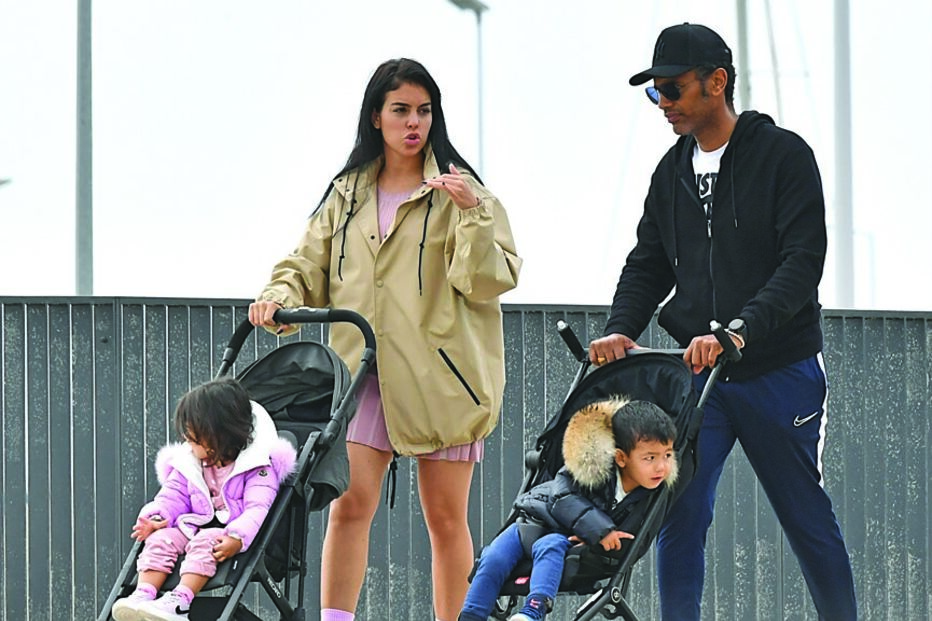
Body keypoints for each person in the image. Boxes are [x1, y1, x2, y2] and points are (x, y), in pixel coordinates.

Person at [588, 22, 857, 621]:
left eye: (673, 88)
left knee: (804, 515)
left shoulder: (783, 156)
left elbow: (801, 262)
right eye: (655, 92)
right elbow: (648, 263)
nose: (663, 103)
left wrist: (740, 329)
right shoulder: (670, 173)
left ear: (717, 82)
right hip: (700, 379)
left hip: (779, 371)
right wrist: (621, 326)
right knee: (677, 511)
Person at [248, 58, 521, 621]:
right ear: (376, 116)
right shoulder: (345, 195)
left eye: (424, 111)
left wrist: (472, 215)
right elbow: (306, 263)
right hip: (362, 373)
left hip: (443, 375)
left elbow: (490, 279)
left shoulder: (465, 193)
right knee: (349, 506)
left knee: (446, 518)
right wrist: (277, 295)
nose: (413, 122)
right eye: (400, 110)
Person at [458, 398, 678, 621]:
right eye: (650, 458)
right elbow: (562, 496)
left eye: (668, 455)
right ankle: (470, 616)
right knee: (493, 558)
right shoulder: (589, 466)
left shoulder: (648, 498)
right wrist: (599, 530)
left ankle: (532, 613)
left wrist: (594, 539)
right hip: (532, 520)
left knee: (549, 546)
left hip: (560, 538)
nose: (661, 466)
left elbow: (629, 541)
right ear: (621, 458)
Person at [110, 377, 297, 621]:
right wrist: (157, 517)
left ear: (219, 435)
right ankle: (143, 594)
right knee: (160, 539)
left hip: (226, 533)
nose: (188, 444)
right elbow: (173, 495)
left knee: (206, 542)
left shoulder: (258, 469)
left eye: (194, 439)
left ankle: (180, 601)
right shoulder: (190, 463)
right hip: (191, 526)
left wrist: (237, 537)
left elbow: (257, 509)